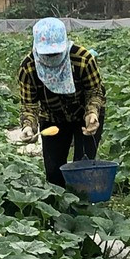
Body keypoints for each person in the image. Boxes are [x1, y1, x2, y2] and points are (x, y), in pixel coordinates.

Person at [18, 17, 106, 187]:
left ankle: (83, 205)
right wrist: (28, 125)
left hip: (84, 114)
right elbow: (29, 104)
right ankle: (60, 208)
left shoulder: (82, 59)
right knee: (53, 171)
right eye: (47, 54)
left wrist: (92, 113)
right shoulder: (28, 67)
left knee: (83, 165)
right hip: (52, 116)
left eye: (56, 53)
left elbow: (94, 91)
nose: (51, 57)